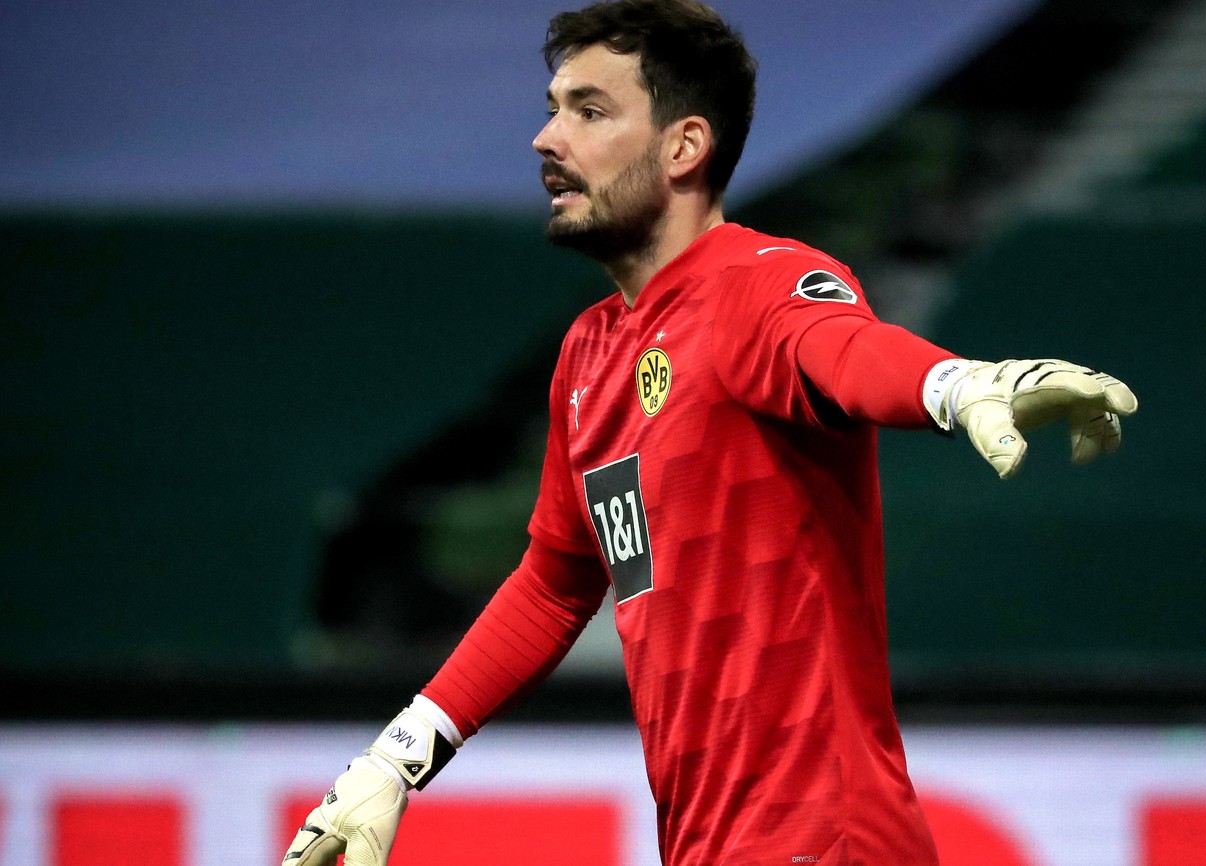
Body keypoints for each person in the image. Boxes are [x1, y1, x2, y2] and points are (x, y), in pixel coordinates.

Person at [281, 1, 1137, 864]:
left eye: (589, 111)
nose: (547, 139)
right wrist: (396, 759)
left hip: (821, 841)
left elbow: (843, 352)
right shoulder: (589, 356)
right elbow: (553, 585)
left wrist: (961, 384)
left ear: (684, 148)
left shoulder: (758, 286)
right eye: (552, 108)